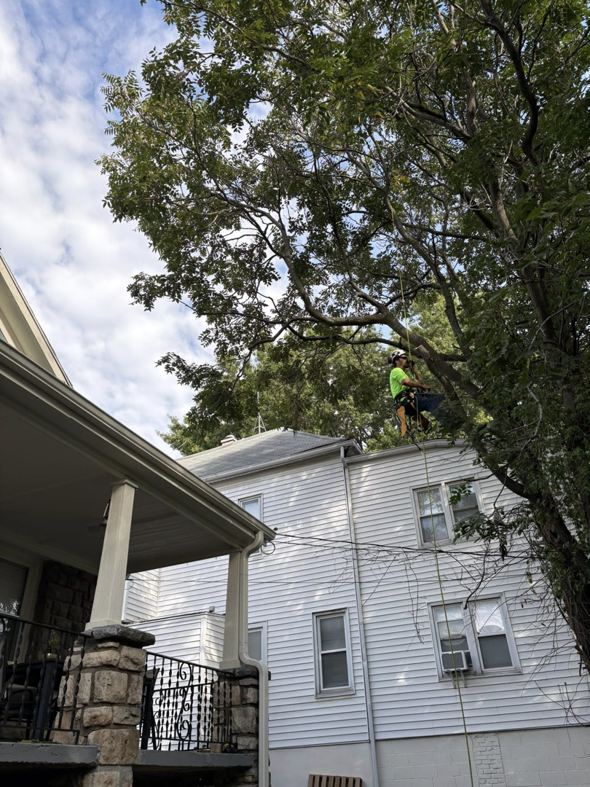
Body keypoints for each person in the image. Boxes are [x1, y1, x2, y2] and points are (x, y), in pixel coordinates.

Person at [388, 349, 446, 432]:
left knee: (439, 397)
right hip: (406, 400)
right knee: (433, 401)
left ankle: (426, 421)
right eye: (404, 358)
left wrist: (413, 369)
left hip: (408, 401)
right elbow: (405, 382)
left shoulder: (403, 373)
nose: (406, 360)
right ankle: (447, 422)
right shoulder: (396, 370)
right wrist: (422, 386)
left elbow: (420, 383)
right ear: (397, 360)